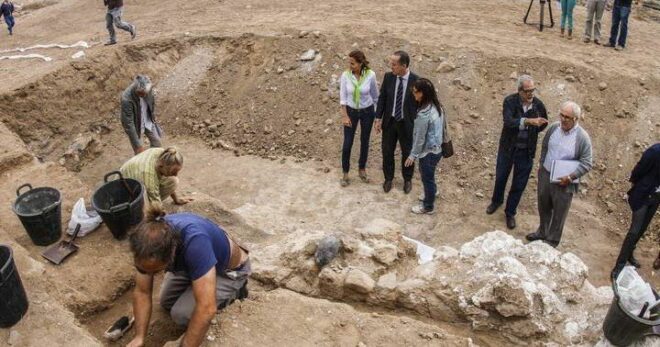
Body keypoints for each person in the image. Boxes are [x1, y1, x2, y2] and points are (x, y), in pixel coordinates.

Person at [126, 207, 250, 347]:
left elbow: (206, 308)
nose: (149, 275)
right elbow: (142, 292)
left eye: (155, 271)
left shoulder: (195, 243)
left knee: (180, 314)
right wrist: (139, 337)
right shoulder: (146, 242)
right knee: (166, 302)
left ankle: (237, 292)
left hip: (227, 272)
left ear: (171, 257)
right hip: (194, 266)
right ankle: (197, 281)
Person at [526, 101, 593, 247]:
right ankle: (542, 231)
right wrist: (542, 164)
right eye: (561, 115)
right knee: (543, 206)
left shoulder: (582, 138)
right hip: (545, 174)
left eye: (567, 117)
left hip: (564, 182)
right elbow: (545, 146)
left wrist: (570, 177)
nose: (563, 119)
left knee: (559, 213)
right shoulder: (553, 128)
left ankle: (552, 241)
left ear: (576, 119)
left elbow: (587, 163)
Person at [487, 75, 548, 230]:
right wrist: (528, 122)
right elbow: (508, 122)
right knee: (501, 177)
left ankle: (510, 212)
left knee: (519, 184)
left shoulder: (538, 105)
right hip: (508, 149)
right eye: (527, 91)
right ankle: (496, 201)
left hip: (526, 151)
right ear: (520, 91)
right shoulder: (509, 101)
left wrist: (535, 126)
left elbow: (543, 123)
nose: (531, 94)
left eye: (533, 90)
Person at [611, 143, 660, 279]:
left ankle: (630, 255)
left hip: (655, 198)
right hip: (642, 195)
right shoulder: (655, 151)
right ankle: (618, 267)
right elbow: (639, 170)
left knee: (642, 229)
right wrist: (636, 184)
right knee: (634, 230)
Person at [375, 51, 419, 194]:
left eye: (394, 64)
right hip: (390, 121)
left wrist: (417, 123)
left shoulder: (416, 81)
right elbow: (382, 98)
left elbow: (420, 104)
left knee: (407, 152)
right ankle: (388, 178)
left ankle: (407, 179)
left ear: (404, 66)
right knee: (387, 151)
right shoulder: (389, 77)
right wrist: (378, 118)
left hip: (407, 124)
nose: (391, 67)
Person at [404, 78, 444, 215]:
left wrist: (413, 155)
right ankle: (432, 192)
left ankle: (428, 206)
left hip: (428, 152)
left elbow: (420, 138)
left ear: (423, 93)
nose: (414, 95)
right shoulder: (436, 106)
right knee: (430, 175)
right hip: (437, 149)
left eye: (416, 92)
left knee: (427, 177)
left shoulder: (423, 114)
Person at [339, 50, 378, 187]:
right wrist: (344, 115)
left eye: (353, 63)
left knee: (364, 141)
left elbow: (375, 96)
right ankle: (345, 173)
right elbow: (343, 97)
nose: (350, 66)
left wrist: (378, 117)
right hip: (350, 111)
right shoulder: (345, 75)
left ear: (361, 63)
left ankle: (362, 169)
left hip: (367, 111)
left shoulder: (371, 75)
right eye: (349, 63)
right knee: (347, 143)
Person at [120, 147, 193, 208]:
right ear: (161, 166)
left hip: (135, 180)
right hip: (124, 193)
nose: (176, 174)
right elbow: (157, 204)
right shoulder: (148, 175)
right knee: (149, 209)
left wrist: (176, 199)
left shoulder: (163, 154)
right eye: (173, 172)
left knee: (173, 181)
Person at [121, 75, 162, 154]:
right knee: (140, 154)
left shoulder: (148, 89)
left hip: (147, 120)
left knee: (157, 145)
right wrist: (137, 146)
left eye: (145, 93)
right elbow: (128, 124)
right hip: (136, 124)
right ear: (136, 90)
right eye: (141, 93)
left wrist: (152, 117)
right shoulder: (126, 99)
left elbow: (151, 104)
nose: (143, 96)